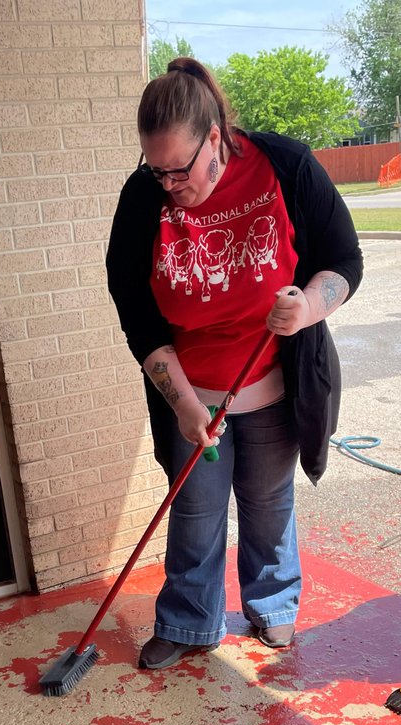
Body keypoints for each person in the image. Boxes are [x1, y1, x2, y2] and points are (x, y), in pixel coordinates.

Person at [105, 58, 363, 671]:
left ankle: (272, 605)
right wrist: (187, 405)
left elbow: (344, 261)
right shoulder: (144, 197)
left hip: (274, 381)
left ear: (214, 137)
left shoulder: (286, 168)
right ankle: (189, 622)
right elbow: (135, 310)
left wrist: (308, 307)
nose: (168, 183)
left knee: (269, 499)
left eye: (179, 169)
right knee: (193, 510)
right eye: (155, 169)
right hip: (191, 390)